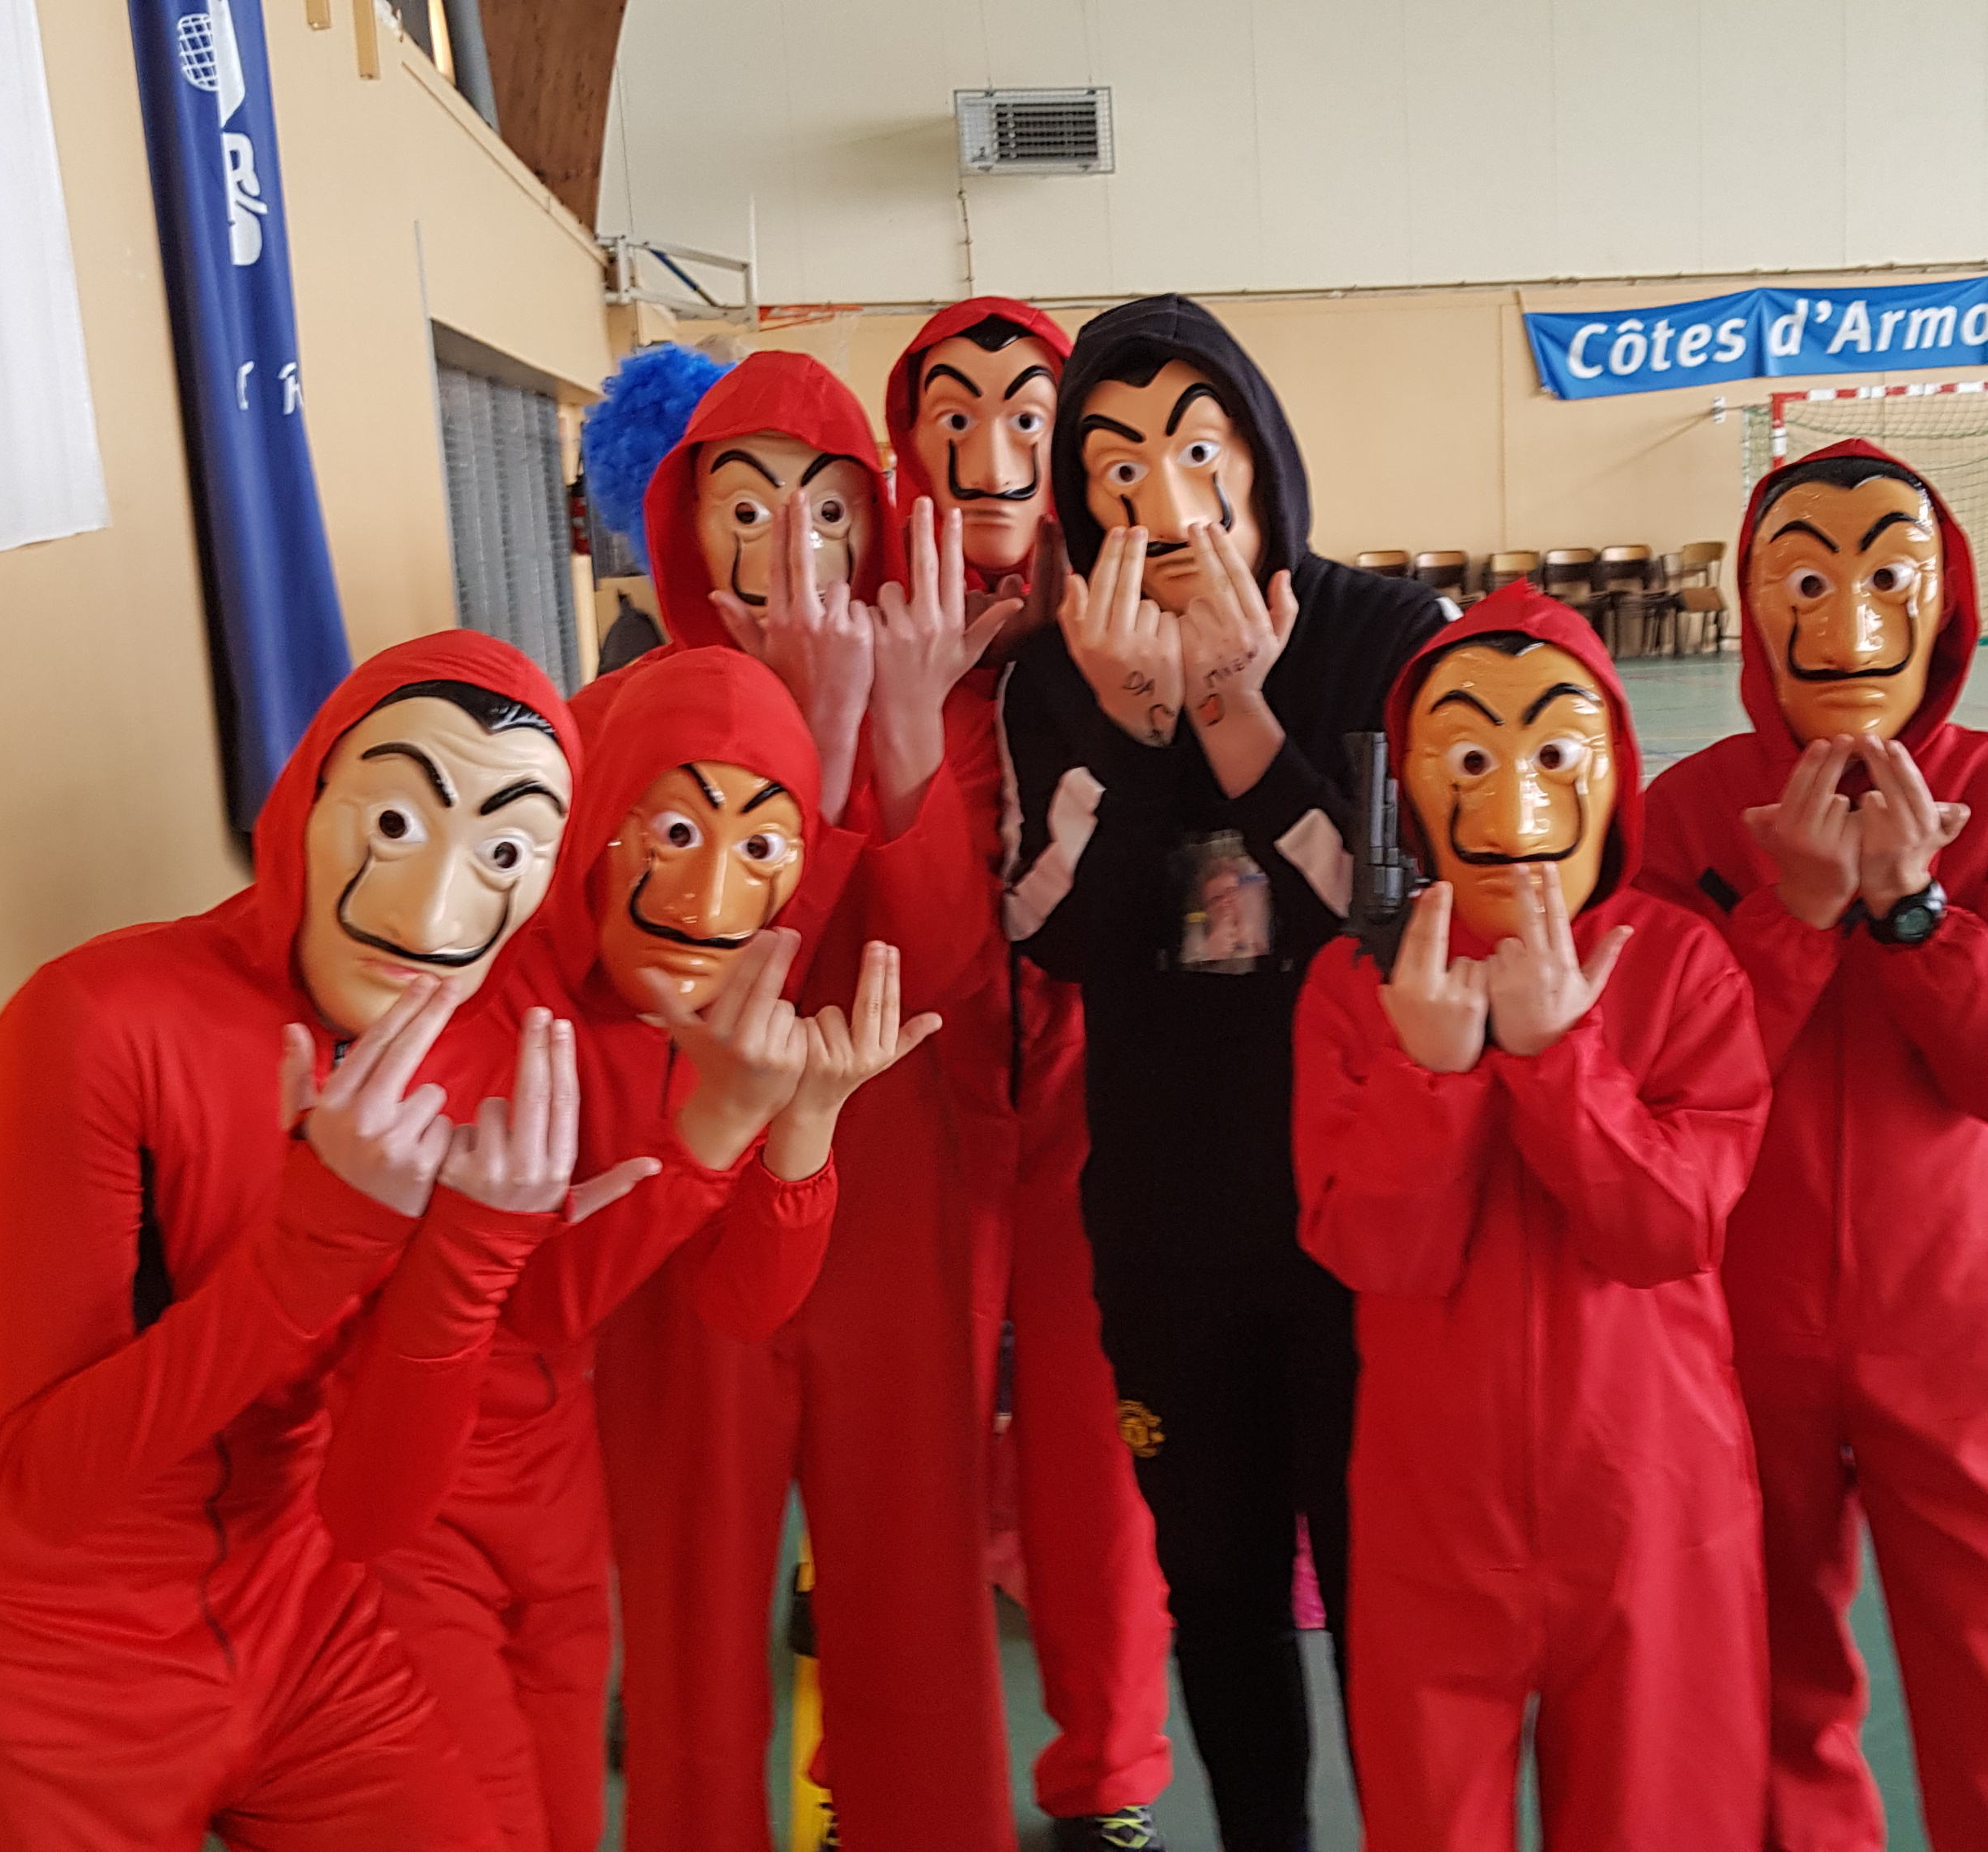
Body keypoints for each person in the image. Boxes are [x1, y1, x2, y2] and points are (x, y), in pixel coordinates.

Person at [0, 633, 621, 1850]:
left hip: (300, 1614)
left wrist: (472, 1260)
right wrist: (322, 1236)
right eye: (395, 823)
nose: (430, 910)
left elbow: (375, 1512)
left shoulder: (480, 1055)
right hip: (48, 1658)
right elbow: (50, 1483)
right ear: (306, 800)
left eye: (503, 851)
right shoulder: (99, 1023)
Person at [314, 643, 956, 1852]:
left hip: (554, 1492)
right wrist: (717, 1129)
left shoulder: (708, 1016)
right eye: (673, 831)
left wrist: (803, 1127)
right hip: (412, 1483)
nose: (706, 899)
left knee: (562, 1810)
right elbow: (532, 1306)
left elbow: (741, 1304)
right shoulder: (484, 997)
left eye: (761, 848)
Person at [1004, 293, 1448, 1850]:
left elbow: (1394, 922)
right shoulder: (1056, 675)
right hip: (1173, 1225)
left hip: (1364, 1226)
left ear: (1261, 454)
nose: (1165, 492)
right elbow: (1059, 941)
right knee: (1219, 1589)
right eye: (1115, 465)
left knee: (1392, 1593)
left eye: (1198, 447)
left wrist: (1232, 712)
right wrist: (1132, 726)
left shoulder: (1385, 639)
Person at [1639, 440, 1988, 1850]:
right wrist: (1789, 916)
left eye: (1886, 577)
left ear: (1943, 603)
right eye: (1805, 580)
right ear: (1754, 604)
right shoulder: (1684, 815)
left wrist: (1916, 914)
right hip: (1737, 1319)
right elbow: (1670, 1086)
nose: (1846, 618)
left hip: (1956, 1318)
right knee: (1761, 1669)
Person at [598, 348, 1016, 1849]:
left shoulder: (950, 710)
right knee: (694, 1621)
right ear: (684, 527)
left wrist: (897, 740)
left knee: (913, 1609)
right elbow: (662, 978)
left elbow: (943, 979)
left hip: (890, 1208)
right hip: (694, 1206)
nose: (789, 546)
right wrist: (823, 751)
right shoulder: (619, 717)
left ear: (879, 525)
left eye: (829, 509)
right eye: (747, 505)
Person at [1292, 584, 1772, 1850]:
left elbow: (1667, 1233)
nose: (1512, 808)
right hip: (1433, 1516)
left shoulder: (1681, 967)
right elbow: (1371, 1251)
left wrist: (1563, 1064)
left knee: (1662, 1818)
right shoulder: (1358, 991)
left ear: (1613, 770)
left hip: (1649, 1506)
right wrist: (1431, 1077)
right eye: (1467, 759)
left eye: (1554, 756)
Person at [883, 295, 1181, 1852]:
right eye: (954, 412)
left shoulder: (1138, 614)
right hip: (907, 1093)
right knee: (898, 1452)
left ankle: (1109, 1774)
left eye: (1024, 413)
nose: (990, 447)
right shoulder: (867, 630)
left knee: (1093, 1451)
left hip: (1096, 1089)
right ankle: (894, 1773)